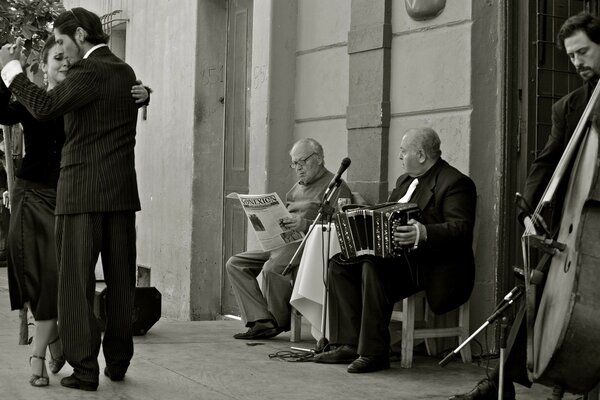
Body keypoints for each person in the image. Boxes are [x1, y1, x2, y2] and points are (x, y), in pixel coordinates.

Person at [449, 12, 600, 400]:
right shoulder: (569, 107)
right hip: (579, 223)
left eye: (583, 51)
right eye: (570, 57)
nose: (577, 62)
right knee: (539, 288)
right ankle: (500, 385)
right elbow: (546, 162)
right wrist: (529, 209)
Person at [0, 7, 148, 391]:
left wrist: (11, 71)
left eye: (63, 41)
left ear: (81, 35)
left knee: (75, 285)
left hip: (81, 193)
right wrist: (145, 95)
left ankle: (84, 371)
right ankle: (117, 362)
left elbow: (46, 107)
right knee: (120, 281)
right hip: (121, 194)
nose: (63, 51)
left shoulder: (88, 71)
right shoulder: (125, 72)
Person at [314, 127, 477, 373]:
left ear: (421, 155)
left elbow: (461, 228)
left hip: (431, 266)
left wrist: (423, 233)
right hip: (397, 259)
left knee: (374, 265)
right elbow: (388, 214)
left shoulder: (455, 183)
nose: (400, 157)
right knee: (339, 263)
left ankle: (374, 353)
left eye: (403, 152)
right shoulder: (404, 181)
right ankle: (347, 342)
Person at [226, 138, 352, 340]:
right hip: (282, 241)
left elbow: (340, 226)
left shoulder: (336, 187)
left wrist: (305, 224)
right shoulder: (295, 189)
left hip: (310, 244)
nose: (298, 168)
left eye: (302, 161)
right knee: (235, 263)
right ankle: (261, 320)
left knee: (272, 268)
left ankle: (277, 321)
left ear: (318, 159)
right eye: (294, 163)